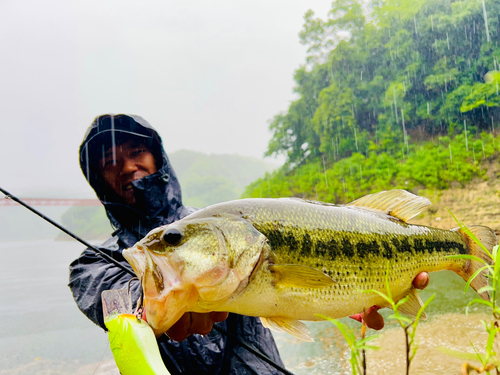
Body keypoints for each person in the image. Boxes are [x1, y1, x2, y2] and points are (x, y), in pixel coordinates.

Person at [69, 113, 429, 374]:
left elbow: (292, 289)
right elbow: (111, 297)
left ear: (156, 158)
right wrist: (148, 301)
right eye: (110, 162)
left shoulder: (225, 226)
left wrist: (345, 295)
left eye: (136, 152)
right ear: (100, 179)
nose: (128, 166)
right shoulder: (91, 263)